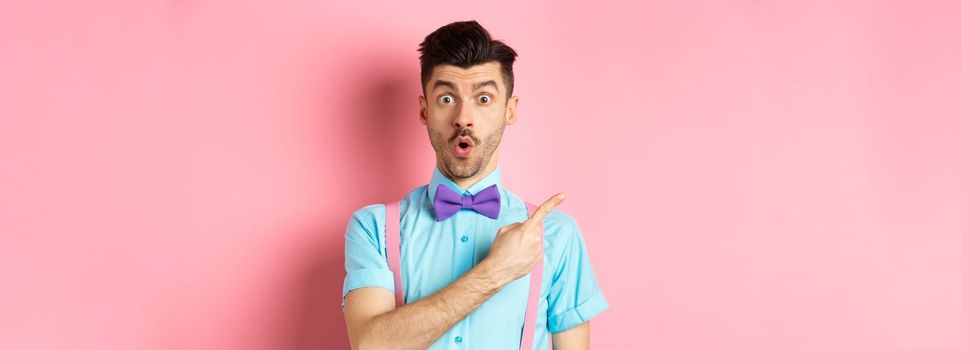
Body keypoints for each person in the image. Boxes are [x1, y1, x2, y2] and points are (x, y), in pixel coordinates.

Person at [341, 20, 608, 349]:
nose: (464, 117)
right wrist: (496, 271)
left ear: (509, 111)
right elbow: (370, 345)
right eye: (447, 99)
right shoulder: (373, 228)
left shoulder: (556, 235)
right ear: (424, 110)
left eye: (483, 99)